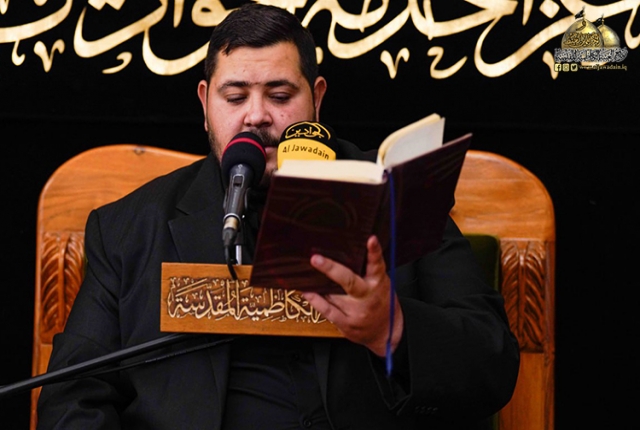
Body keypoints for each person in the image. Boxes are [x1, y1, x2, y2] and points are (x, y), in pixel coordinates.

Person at [37, 4, 519, 429]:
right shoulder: (129, 228)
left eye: (280, 95)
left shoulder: (394, 192)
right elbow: (72, 396)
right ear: (205, 104)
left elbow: (492, 362)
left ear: (317, 99)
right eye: (235, 97)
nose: (256, 116)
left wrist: (391, 329)